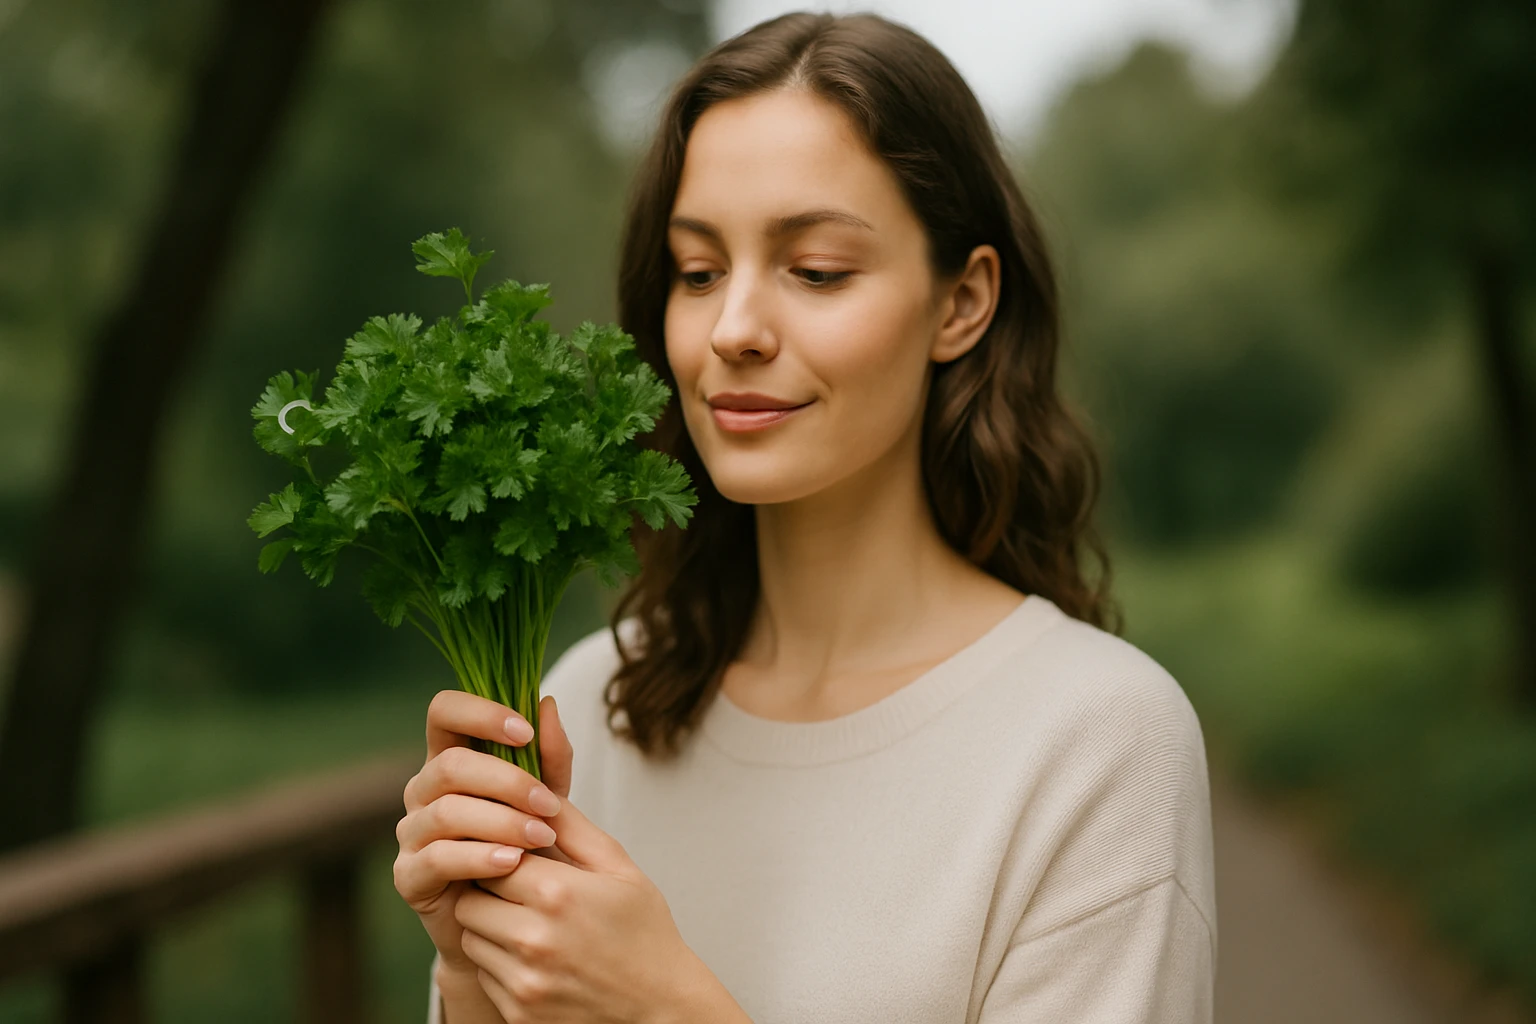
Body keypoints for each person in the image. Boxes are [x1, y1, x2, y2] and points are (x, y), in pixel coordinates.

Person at [393, 10, 1216, 1023]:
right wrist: (473, 969)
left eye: (816, 269)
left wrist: (669, 1007)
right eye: (698, 272)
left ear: (962, 301)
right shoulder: (587, 711)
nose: (733, 329)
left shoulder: (1097, 744)